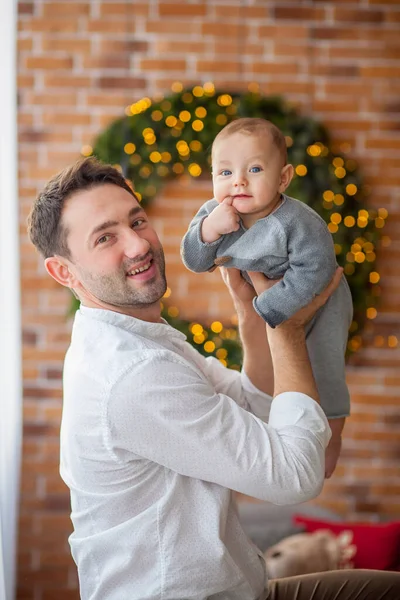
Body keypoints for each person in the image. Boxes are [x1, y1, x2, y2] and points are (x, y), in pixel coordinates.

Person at [27, 158, 400, 600]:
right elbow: (296, 476)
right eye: (105, 237)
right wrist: (286, 326)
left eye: (137, 221)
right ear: (64, 271)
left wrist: (252, 314)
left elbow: (257, 407)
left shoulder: (143, 339)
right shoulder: (134, 373)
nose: (137, 244)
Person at [181, 117, 353, 479]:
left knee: (323, 369)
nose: (237, 181)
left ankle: (332, 439)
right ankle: (292, 436)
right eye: (224, 172)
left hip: (322, 302)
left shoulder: (297, 222)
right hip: (269, 306)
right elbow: (195, 261)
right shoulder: (214, 214)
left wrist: (269, 307)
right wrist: (210, 231)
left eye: (254, 169)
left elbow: (316, 270)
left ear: (283, 178)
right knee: (279, 374)